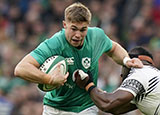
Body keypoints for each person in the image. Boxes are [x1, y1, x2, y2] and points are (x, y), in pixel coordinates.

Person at [14, 2, 143, 115]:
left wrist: (126, 60)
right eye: (74, 29)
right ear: (65, 24)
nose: (78, 35)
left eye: (83, 30)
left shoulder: (96, 36)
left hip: (85, 108)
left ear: (88, 26)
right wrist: (49, 79)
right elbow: (21, 69)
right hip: (54, 108)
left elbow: (113, 48)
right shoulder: (54, 44)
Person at [75, 46, 160, 115]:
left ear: (131, 61)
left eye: (122, 66)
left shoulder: (139, 72)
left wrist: (88, 85)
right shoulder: (152, 74)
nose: (121, 74)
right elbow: (116, 109)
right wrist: (94, 89)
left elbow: (108, 104)